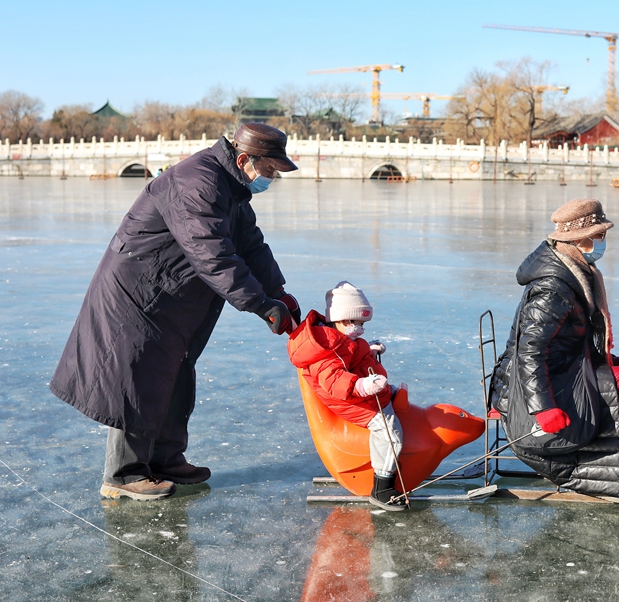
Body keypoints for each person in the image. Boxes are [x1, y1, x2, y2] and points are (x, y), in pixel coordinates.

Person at [50, 123, 301, 501]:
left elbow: (249, 244)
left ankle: (166, 459)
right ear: (246, 159)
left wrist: (278, 291)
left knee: (176, 373)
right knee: (138, 375)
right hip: (139, 291)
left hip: (172, 294)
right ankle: (123, 475)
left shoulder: (231, 187)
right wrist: (261, 304)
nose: (271, 179)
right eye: (270, 171)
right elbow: (212, 253)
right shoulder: (197, 182)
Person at [489, 198, 619, 500]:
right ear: (580, 239)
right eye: (600, 236)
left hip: (566, 363)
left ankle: (611, 459)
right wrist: (543, 408)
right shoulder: (555, 288)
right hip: (534, 383)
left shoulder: (576, 270)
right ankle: (599, 463)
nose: (603, 242)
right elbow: (530, 353)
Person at [287, 281, 409, 511]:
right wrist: (362, 386)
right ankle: (382, 486)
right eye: (358, 324)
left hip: (355, 390)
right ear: (342, 320)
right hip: (346, 399)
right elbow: (333, 379)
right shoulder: (326, 349)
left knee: (393, 396)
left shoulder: (341, 339)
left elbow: (352, 354)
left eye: (363, 324)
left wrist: (368, 349)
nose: (361, 330)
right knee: (389, 429)